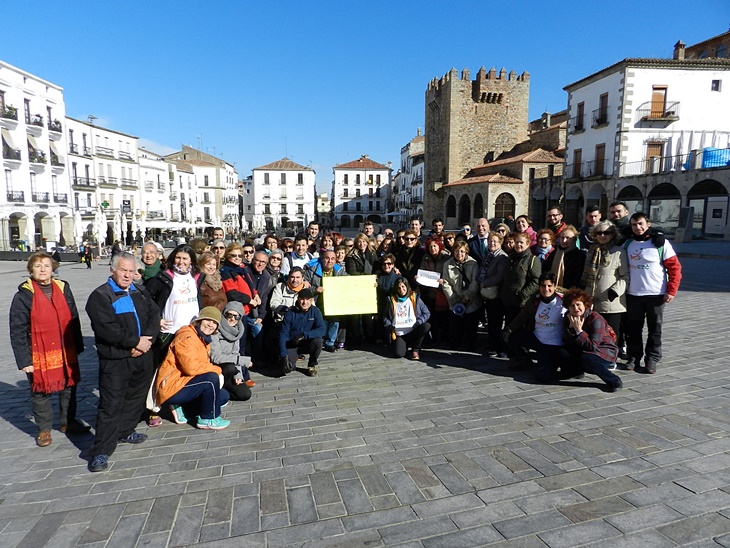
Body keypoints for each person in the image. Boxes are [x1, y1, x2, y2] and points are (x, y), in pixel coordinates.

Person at [85, 252, 160, 472]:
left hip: (142, 356)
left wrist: (147, 341)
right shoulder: (101, 296)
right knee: (111, 404)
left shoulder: (139, 291)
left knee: (135, 397)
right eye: (123, 270)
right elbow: (107, 328)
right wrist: (134, 343)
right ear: (112, 270)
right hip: (116, 359)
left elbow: (154, 316)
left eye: (131, 271)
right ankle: (101, 450)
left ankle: (126, 430)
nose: (127, 275)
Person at [10, 253, 90, 447]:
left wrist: (77, 345)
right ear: (31, 270)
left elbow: (73, 317)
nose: (43, 269)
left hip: (65, 348)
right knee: (40, 391)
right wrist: (24, 360)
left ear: (53, 269)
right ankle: (44, 429)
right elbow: (17, 329)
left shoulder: (63, 288)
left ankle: (68, 422)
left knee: (69, 387)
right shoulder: (23, 295)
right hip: (38, 351)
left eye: (47, 265)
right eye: (38, 266)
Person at [623, 212, 682, 374]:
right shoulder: (627, 244)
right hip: (633, 294)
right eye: (634, 225)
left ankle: (652, 358)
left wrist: (672, 291)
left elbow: (675, 268)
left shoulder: (660, 243)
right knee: (633, 329)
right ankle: (634, 357)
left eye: (641, 224)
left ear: (648, 224)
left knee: (654, 328)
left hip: (656, 294)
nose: (638, 227)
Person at [154, 307, 231, 429]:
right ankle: (208, 419)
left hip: (186, 382)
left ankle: (184, 409)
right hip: (172, 386)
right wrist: (217, 370)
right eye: (207, 320)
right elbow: (191, 368)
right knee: (211, 379)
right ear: (199, 320)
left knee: (223, 396)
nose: (210, 325)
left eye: (214, 323)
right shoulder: (187, 337)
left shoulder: (202, 339)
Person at [580, 220, 628, 367]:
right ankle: (596, 357)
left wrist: (615, 291)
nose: (602, 236)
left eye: (606, 233)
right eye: (599, 233)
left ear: (612, 234)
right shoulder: (592, 251)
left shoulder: (619, 252)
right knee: (594, 331)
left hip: (611, 301)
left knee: (612, 333)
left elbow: (625, 276)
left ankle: (610, 359)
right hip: (592, 300)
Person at [503, 272, 565, 380]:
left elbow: (581, 309)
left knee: (542, 376)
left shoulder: (564, 301)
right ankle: (525, 360)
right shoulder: (535, 300)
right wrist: (508, 329)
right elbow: (522, 316)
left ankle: (554, 364)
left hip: (553, 343)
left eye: (549, 286)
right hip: (537, 337)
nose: (546, 289)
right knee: (511, 336)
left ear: (555, 286)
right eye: (543, 286)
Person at [560, 288, 623, 392]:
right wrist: (571, 329)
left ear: (585, 304)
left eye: (578, 304)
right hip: (584, 350)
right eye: (572, 306)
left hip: (603, 352)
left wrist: (579, 331)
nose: (576, 308)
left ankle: (614, 380)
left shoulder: (595, 318)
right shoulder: (568, 318)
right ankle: (575, 372)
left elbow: (592, 346)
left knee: (586, 359)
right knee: (561, 351)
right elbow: (567, 342)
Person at [441, 240, 482, 350]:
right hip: (455, 298)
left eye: (462, 252)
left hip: (470, 299)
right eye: (457, 251)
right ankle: (455, 343)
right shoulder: (447, 264)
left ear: (466, 253)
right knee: (455, 326)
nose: (459, 254)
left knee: (471, 325)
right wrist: (453, 299)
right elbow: (446, 283)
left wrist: (468, 296)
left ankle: (470, 344)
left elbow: (475, 282)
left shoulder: (473, 264)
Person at [209, 301, 255, 397]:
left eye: (236, 316)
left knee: (245, 394)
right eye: (229, 315)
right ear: (224, 314)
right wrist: (241, 360)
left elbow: (235, 353)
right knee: (230, 368)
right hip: (215, 368)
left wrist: (238, 375)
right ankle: (216, 390)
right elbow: (215, 357)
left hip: (230, 368)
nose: (232, 319)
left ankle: (222, 391)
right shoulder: (215, 329)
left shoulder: (237, 331)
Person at [278, 288, 326, 376]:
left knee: (318, 341)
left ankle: (312, 364)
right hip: (293, 344)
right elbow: (283, 334)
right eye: (302, 299)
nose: (305, 302)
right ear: (298, 299)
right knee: (286, 369)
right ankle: (289, 360)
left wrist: (304, 335)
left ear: (311, 300)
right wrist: (283, 354)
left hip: (308, 342)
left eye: (308, 299)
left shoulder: (315, 311)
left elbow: (322, 329)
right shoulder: (290, 313)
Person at [305, 249, 346, 352]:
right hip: (317, 300)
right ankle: (319, 341)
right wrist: (315, 289)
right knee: (320, 321)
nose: (329, 261)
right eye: (327, 258)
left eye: (332, 259)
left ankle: (330, 342)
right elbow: (304, 286)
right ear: (322, 259)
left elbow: (349, 282)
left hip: (333, 301)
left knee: (335, 321)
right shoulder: (312, 270)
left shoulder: (340, 271)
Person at [477, 232, 510, 357]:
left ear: (500, 243)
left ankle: (497, 346)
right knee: (491, 321)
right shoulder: (488, 255)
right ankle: (492, 344)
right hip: (486, 293)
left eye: (495, 241)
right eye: (491, 241)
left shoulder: (502, 257)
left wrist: (485, 283)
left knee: (495, 322)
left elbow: (499, 276)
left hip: (496, 294)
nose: (492, 243)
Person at [383, 277, 431, 359]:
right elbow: (384, 316)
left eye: (403, 287)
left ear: (407, 287)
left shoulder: (415, 298)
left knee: (426, 326)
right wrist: (389, 326)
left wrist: (419, 322)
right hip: (399, 333)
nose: (401, 289)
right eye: (399, 287)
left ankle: (416, 349)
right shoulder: (391, 300)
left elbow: (427, 313)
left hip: (413, 330)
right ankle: (406, 349)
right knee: (399, 354)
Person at [501, 232, 541, 326]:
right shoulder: (511, 258)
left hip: (521, 304)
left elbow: (536, 281)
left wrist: (522, 295)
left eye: (521, 243)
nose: (518, 245)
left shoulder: (533, 260)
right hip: (508, 301)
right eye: (517, 242)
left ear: (528, 244)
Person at [417, 236, 450, 343]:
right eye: (430, 247)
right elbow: (422, 271)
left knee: (444, 317)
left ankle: (445, 339)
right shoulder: (426, 258)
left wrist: (443, 280)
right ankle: (433, 338)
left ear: (439, 246)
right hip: (431, 292)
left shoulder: (446, 257)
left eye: (435, 246)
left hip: (443, 291)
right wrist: (419, 277)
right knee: (433, 316)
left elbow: (450, 273)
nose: (433, 249)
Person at [543, 225, 585, 290]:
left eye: (568, 238)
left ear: (574, 239)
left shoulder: (579, 256)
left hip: (569, 291)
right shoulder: (554, 253)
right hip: (553, 290)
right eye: (562, 238)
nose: (564, 240)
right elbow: (546, 269)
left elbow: (578, 277)